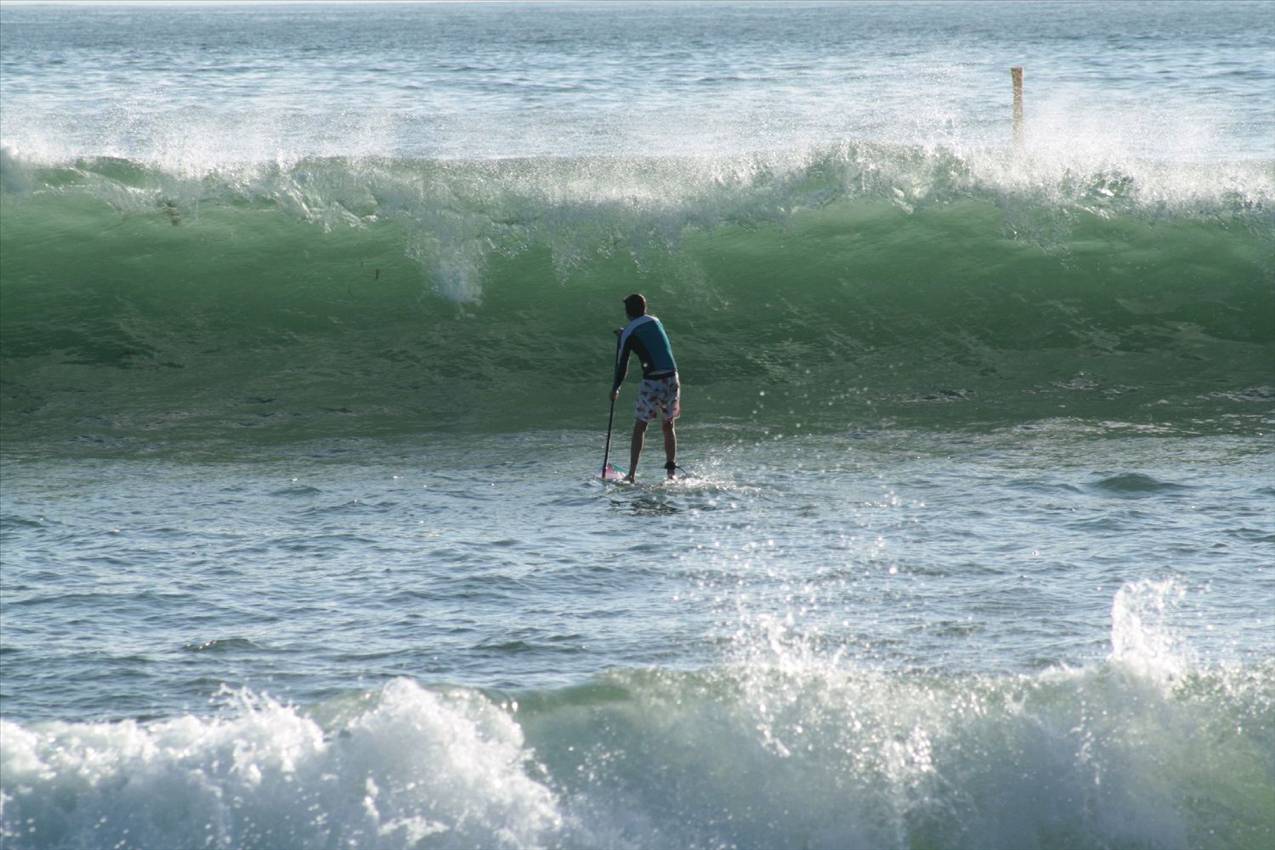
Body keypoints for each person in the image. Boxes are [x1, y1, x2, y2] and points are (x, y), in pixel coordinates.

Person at [610, 293, 680, 482]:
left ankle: (631, 474)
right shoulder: (656, 321)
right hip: (672, 377)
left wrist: (615, 388)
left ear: (627, 312)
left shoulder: (629, 332)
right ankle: (671, 473)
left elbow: (622, 365)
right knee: (668, 424)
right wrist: (626, 334)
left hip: (652, 381)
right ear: (644, 308)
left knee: (640, 426)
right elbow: (646, 338)